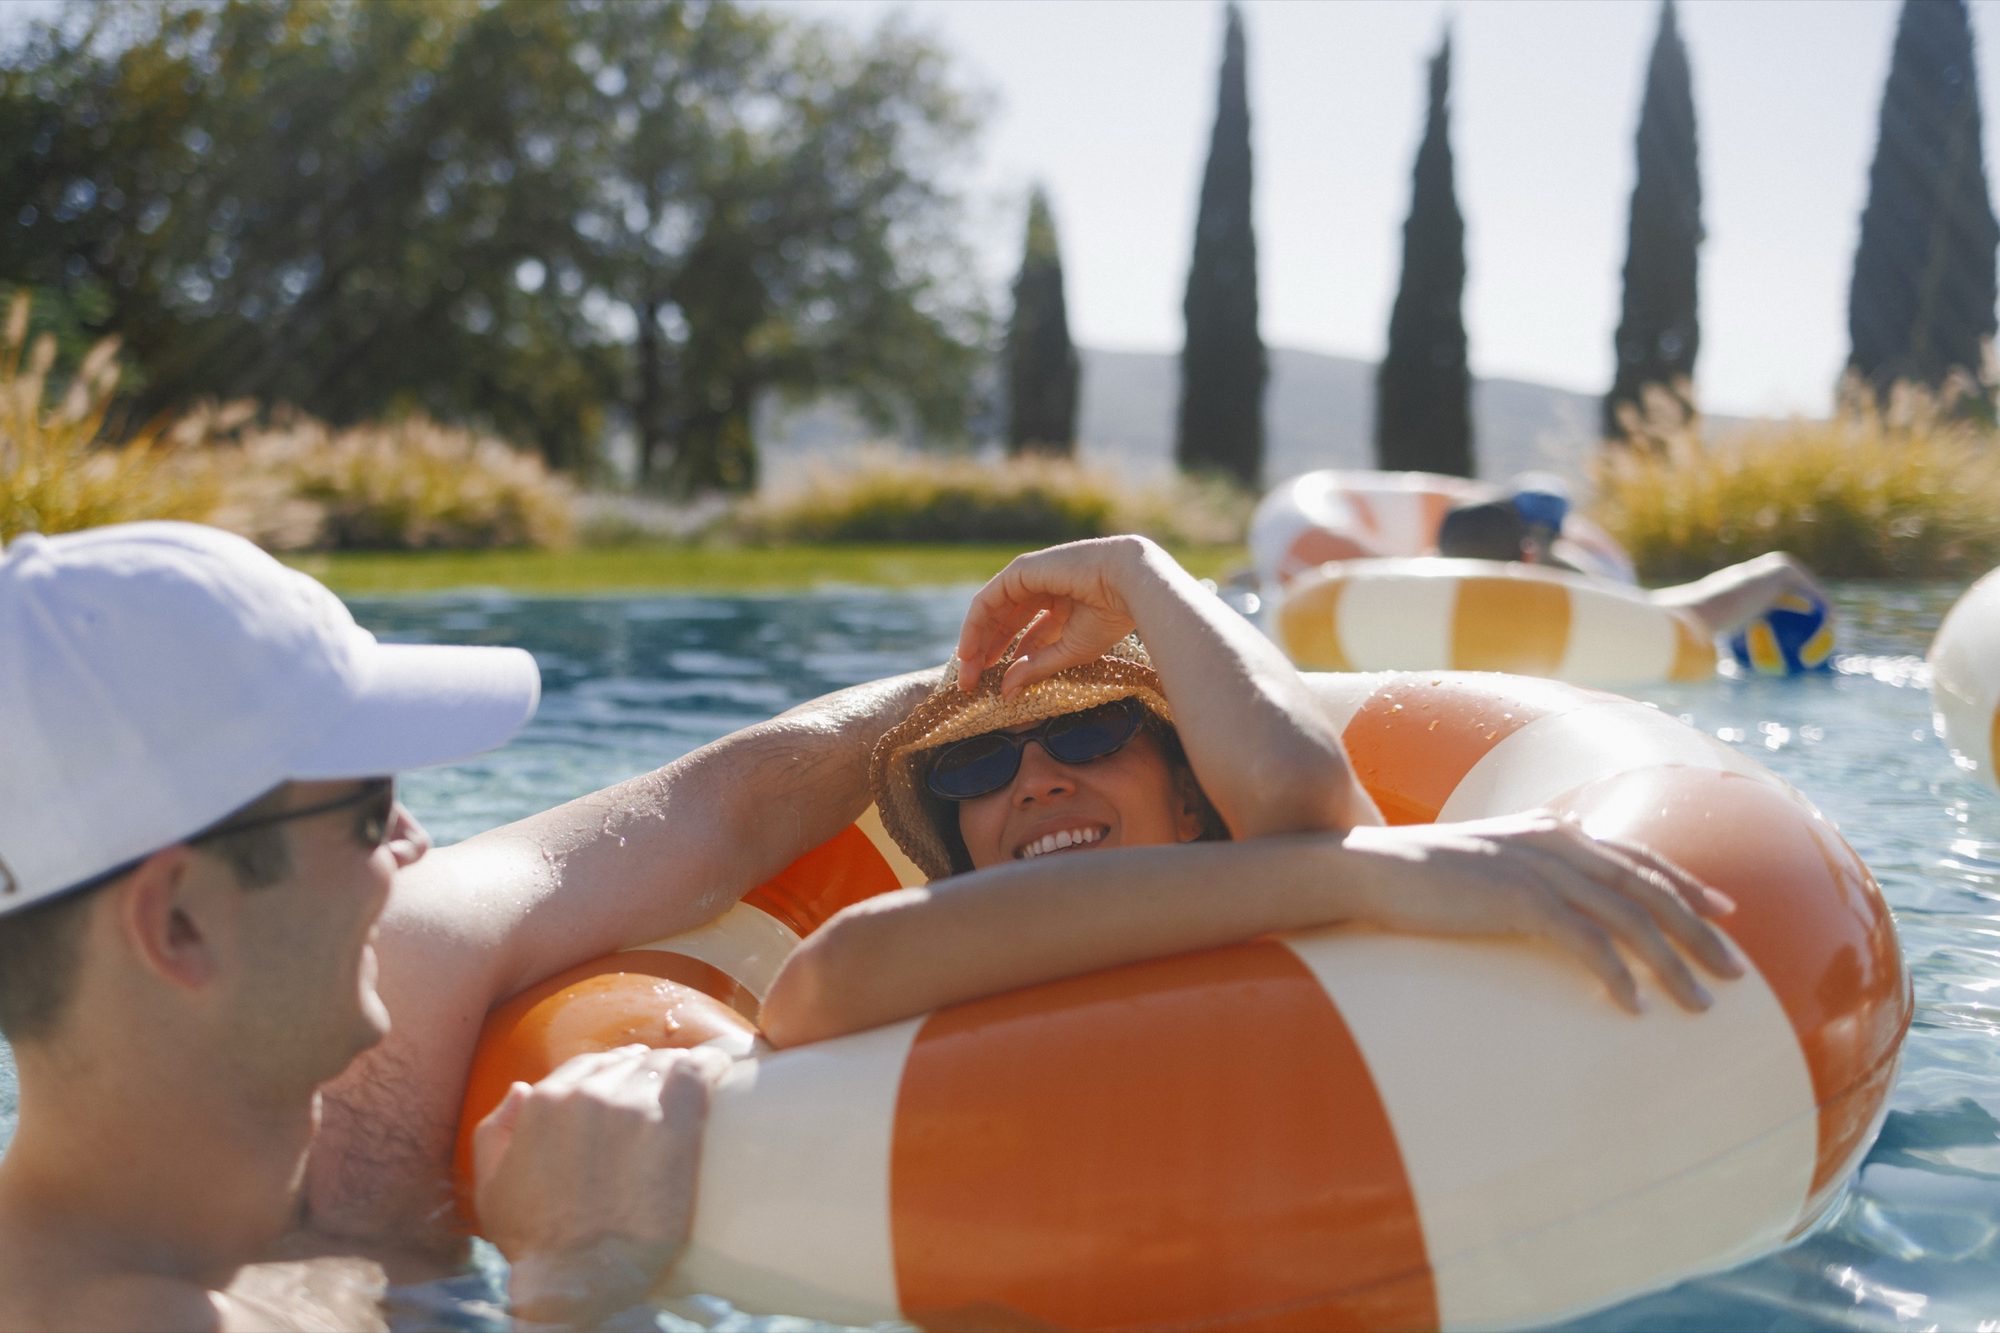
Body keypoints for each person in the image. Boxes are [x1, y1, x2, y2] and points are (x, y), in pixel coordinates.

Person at [0, 521, 938, 1329]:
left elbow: (714, 812)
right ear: (180, 923)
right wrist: (583, 1282)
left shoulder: (366, 1037)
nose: (416, 843)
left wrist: (980, 675)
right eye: (368, 813)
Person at [757, 536, 1743, 1049]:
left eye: (1087, 734)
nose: (1039, 778)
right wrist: (1367, 876)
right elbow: (834, 973)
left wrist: (1136, 569)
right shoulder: (915, 977)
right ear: (959, 850)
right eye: (977, 766)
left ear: (1193, 801)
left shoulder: (1303, 926)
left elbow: (1292, 788)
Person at [1434, 492, 1832, 641]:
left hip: (1625, 608)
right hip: (1641, 617)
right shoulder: (1562, 589)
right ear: (1527, 555)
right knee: (1779, 569)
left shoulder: (1436, 608)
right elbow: (1780, 567)